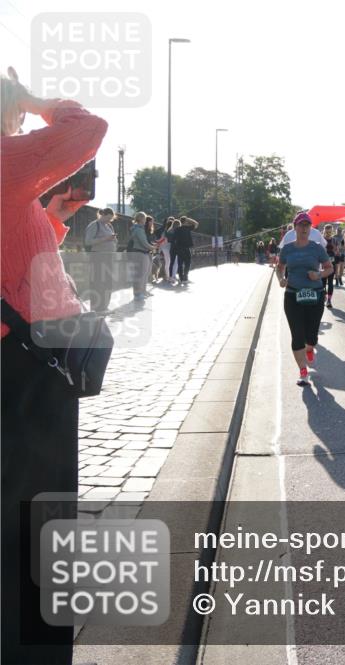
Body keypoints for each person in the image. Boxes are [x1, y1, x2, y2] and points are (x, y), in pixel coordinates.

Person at [2, 67, 108, 665]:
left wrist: (55, 214)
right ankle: (36, 652)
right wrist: (41, 102)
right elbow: (87, 128)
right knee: (42, 515)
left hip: (20, 359)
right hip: (27, 366)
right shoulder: (6, 158)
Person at [276, 213, 334, 386]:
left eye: (307, 225)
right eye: (301, 225)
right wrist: (281, 279)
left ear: (310, 228)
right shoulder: (287, 249)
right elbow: (279, 268)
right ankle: (303, 371)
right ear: (295, 228)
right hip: (293, 294)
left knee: (312, 335)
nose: (304, 228)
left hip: (315, 295)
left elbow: (329, 268)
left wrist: (319, 274)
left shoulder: (316, 248)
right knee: (297, 334)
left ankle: (310, 346)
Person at [84, 207, 118, 312]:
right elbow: (88, 241)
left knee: (108, 282)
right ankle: (96, 308)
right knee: (98, 283)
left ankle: (104, 306)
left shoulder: (109, 226)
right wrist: (106, 239)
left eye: (111, 219)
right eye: (108, 218)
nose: (109, 220)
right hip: (98, 258)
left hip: (108, 257)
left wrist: (113, 239)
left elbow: (113, 241)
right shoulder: (94, 225)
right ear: (102, 215)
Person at [126, 211, 156, 300]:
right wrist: (152, 247)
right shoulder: (138, 229)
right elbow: (144, 243)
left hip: (142, 253)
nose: (145, 220)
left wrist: (151, 247)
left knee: (143, 274)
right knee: (141, 274)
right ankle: (138, 294)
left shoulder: (138, 228)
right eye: (144, 218)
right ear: (141, 219)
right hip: (140, 253)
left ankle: (141, 292)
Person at [172, 216, 198, 284]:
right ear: (186, 221)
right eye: (187, 221)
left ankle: (181, 278)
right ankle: (185, 277)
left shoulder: (177, 229)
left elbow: (174, 239)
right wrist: (189, 219)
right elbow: (196, 224)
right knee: (187, 263)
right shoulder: (188, 228)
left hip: (179, 249)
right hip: (186, 249)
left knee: (180, 264)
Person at [321, 224, 339, 308]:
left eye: (330, 232)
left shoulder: (334, 240)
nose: (328, 233)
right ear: (324, 231)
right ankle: (323, 295)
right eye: (327, 232)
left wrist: (335, 249)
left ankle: (329, 300)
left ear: (332, 232)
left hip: (332, 263)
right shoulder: (322, 240)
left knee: (331, 282)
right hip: (323, 264)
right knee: (323, 282)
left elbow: (337, 252)